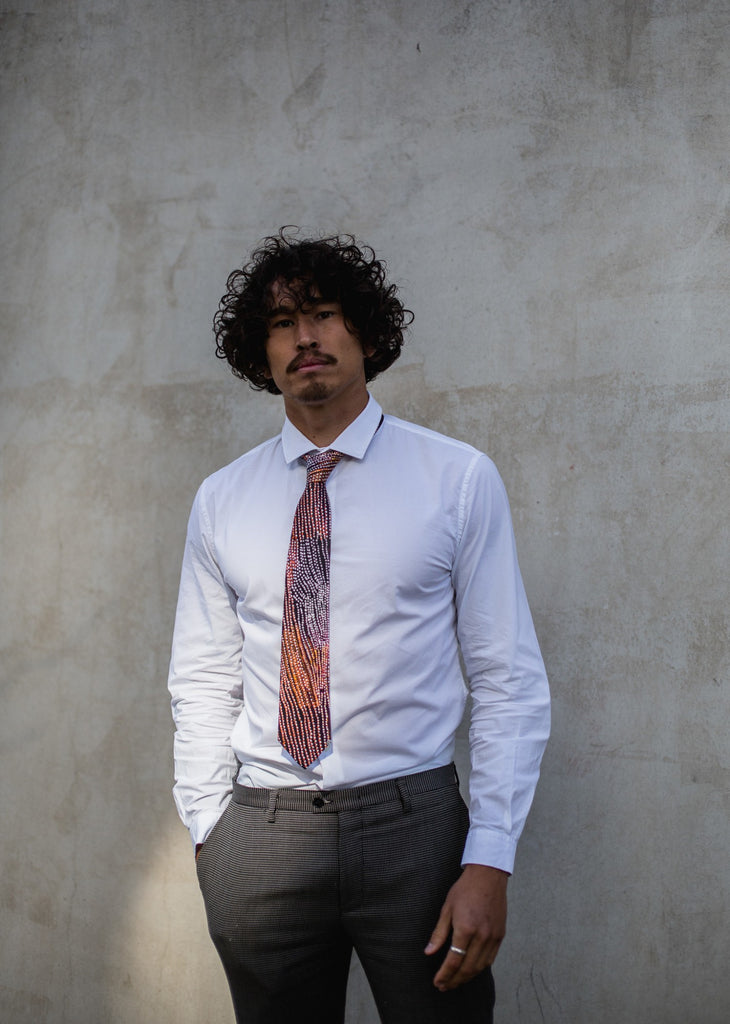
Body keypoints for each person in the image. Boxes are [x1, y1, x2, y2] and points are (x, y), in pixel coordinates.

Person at [168, 230, 550, 1024]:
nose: (305, 337)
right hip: (261, 831)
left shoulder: (457, 479)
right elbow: (202, 675)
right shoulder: (221, 499)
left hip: (414, 826)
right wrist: (212, 831)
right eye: (281, 324)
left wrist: (491, 859)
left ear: (366, 332)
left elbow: (508, 677)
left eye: (326, 314)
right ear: (259, 352)